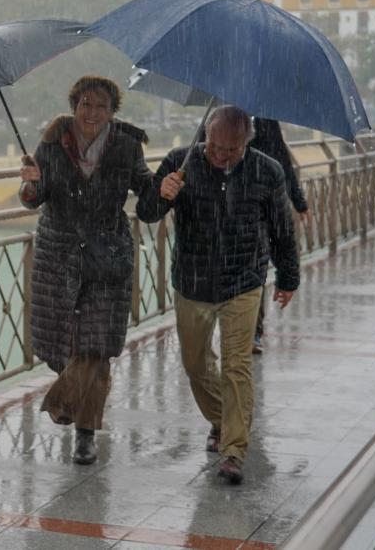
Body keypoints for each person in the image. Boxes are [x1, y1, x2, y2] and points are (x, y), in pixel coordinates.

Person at [136, 105, 299, 485]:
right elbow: (147, 213)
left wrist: (288, 277)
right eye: (215, 146)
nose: (221, 155)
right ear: (206, 135)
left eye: (231, 150)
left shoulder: (267, 171)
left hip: (243, 280)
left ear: (247, 142)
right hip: (192, 280)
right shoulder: (182, 160)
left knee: (236, 365)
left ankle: (233, 449)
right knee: (195, 364)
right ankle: (222, 418)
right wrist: (161, 194)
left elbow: (281, 229)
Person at [19, 76, 155, 466]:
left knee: (95, 349)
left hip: (106, 255)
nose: (92, 113)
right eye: (86, 105)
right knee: (67, 350)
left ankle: (83, 432)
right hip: (58, 256)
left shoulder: (127, 145)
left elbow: (145, 191)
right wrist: (30, 185)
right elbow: (34, 198)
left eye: (102, 107)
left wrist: (163, 189)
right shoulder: (51, 142)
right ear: (74, 105)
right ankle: (75, 405)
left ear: (113, 112)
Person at [248, 118, 311, 354]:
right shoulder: (218, 117)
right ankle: (243, 329)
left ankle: (252, 331)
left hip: (259, 207)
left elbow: (282, 163)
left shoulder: (265, 121)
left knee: (254, 270)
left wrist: (299, 201)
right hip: (222, 210)